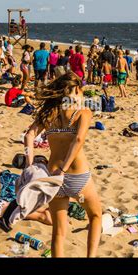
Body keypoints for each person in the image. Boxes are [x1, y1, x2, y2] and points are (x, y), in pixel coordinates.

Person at [24, 72, 102, 257]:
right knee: (95, 216)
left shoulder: (49, 114)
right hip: (76, 176)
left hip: (53, 178)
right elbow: (79, 139)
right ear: (75, 90)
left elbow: (29, 136)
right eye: (81, 90)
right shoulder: (83, 112)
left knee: (58, 231)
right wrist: (65, 168)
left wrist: (29, 165)